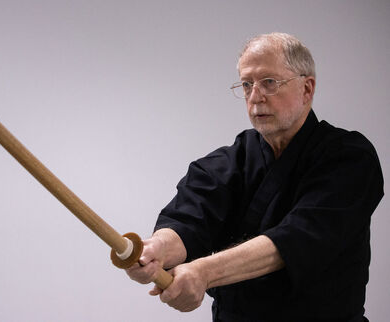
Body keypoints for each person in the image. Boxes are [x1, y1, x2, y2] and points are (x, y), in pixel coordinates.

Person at [126, 33, 384, 322]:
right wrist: (156, 250)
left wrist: (204, 272)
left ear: (307, 89)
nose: (255, 96)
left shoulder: (349, 158)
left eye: (269, 83)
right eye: (247, 84)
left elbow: (297, 238)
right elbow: (190, 219)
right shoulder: (230, 161)